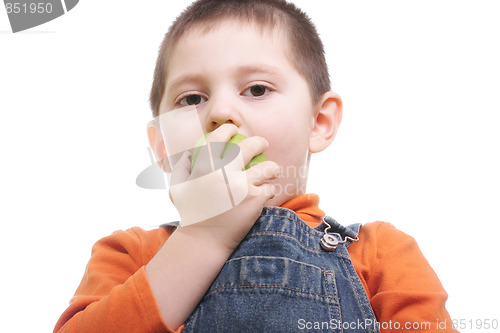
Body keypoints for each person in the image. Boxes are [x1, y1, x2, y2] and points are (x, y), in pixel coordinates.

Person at [54, 0, 457, 332]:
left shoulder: (381, 254)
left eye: (257, 89)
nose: (221, 112)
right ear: (162, 145)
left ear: (319, 122)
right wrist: (203, 236)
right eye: (192, 98)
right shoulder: (129, 255)